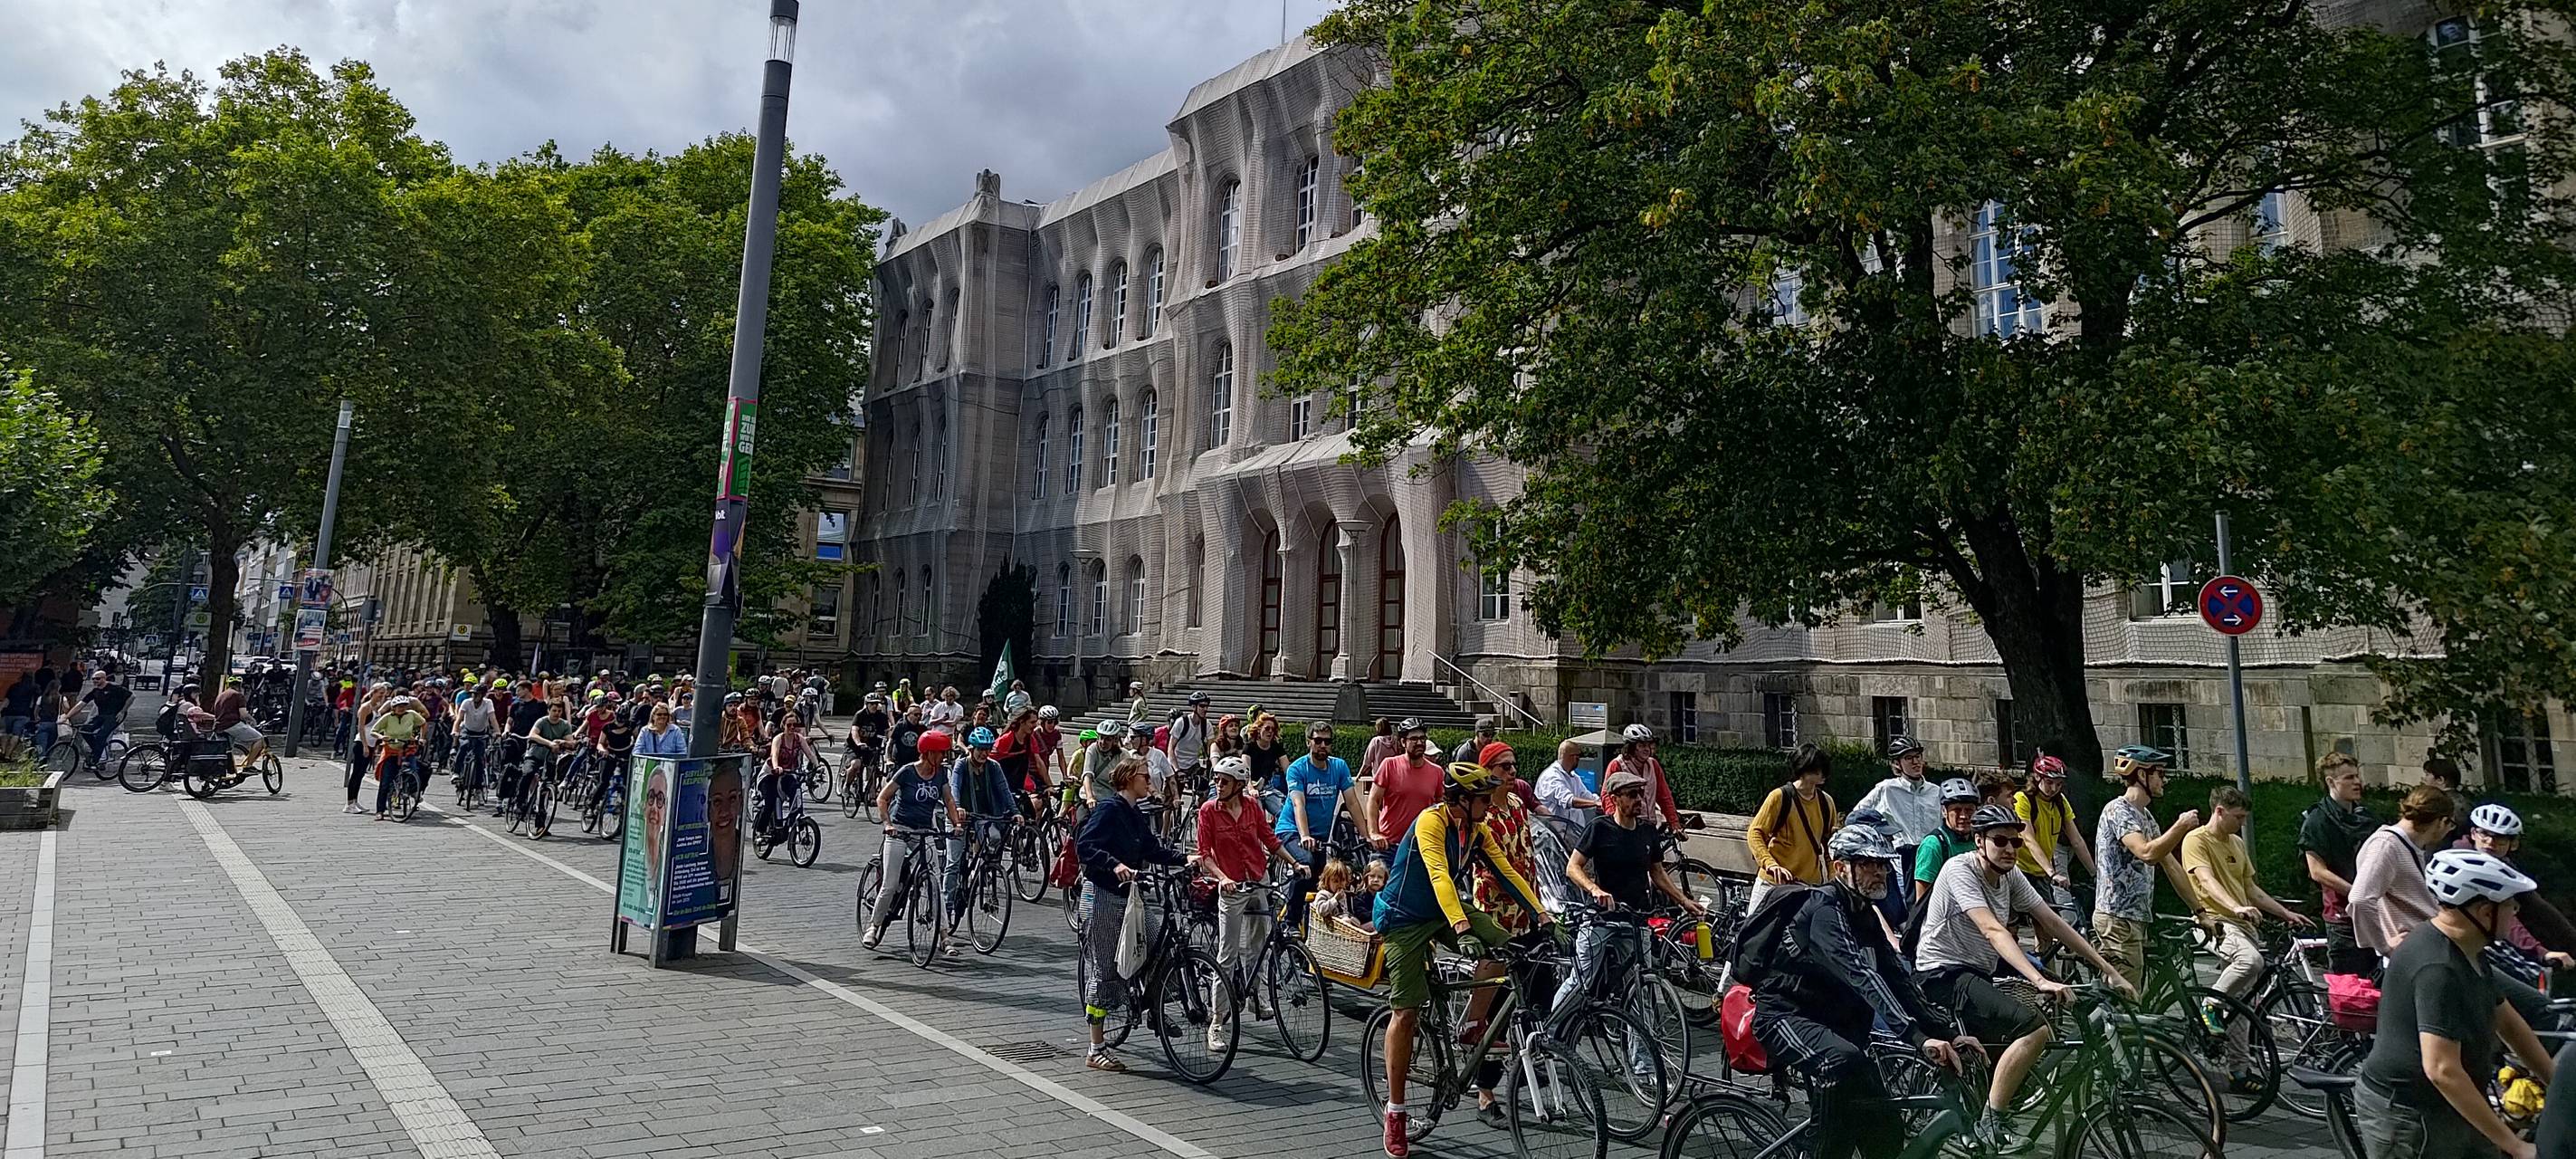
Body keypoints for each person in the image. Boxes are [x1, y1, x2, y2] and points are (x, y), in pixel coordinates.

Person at [1739, 824, 1980, 1159]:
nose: (1880, 872)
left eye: (1882, 865)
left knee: (1886, 1126)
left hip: (1835, 1025)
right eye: (1868, 864)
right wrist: (1916, 1037)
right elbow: (1861, 975)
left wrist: (1946, 1032)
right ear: (1841, 868)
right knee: (1840, 1070)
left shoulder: (1863, 911)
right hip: (1785, 1015)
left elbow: (1897, 977)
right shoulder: (1825, 910)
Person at [1916, 804, 2135, 1146]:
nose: (2009, 849)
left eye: (2016, 843)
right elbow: (1992, 930)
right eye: (2000, 841)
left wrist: (2107, 969)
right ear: (1979, 841)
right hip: (1943, 972)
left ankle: (1981, 1120)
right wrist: (2040, 980)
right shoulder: (1959, 870)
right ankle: (1991, 1120)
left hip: (1979, 969)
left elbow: (2052, 921)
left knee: (2001, 1046)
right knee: (2032, 1027)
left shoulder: (2011, 875)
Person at [1373, 762, 1553, 1154]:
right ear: (1461, 800)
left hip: (1445, 909)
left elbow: (1506, 872)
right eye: (1484, 799)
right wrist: (1460, 928)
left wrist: (1541, 914)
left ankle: (1472, 1024)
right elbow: (1438, 872)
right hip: (1404, 917)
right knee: (1406, 1011)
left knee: (1507, 944)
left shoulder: (1475, 829)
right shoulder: (1431, 822)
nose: (1490, 805)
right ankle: (1396, 1111)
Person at [2359, 849, 2555, 1159]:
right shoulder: (2438, 967)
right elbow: (2441, 1069)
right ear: (2482, 910)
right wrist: (2516, 1146)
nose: (2515, 912)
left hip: (2456, 1101)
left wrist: (2557, 1084)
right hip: (2411, 1115)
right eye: (2509, 905)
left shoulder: (2470, 948)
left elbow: (2508, 1021)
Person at [2180, 784, 2313, 1088]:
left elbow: (2252, 890)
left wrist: (2285, 913)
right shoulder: (2196, 840)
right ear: (2220, 811)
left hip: (2242, 925)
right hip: (2212, 922)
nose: (2242, 823)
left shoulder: (2237, 844)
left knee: (2244, 1004)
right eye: (2238, 817)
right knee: (2250, 961)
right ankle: (2209, 1006)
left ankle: (2239, 1072)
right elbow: (2206, 880)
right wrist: (2235, 907)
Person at [1075, 756, 1191, 1071]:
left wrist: (1186, 859)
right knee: (1105, 972)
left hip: (1131, 898)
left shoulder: (1134, 813)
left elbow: (1152, 849)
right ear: (1128, 779)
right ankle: (1095, 1048)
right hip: (1102, 896)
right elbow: (1084, 846)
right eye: (1144, 776)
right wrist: (1114, 864)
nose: (1149, 780)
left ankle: (1152, 1004)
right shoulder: (1109, 809)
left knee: (1160, 949)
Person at [1559, 770, 1709, 1011]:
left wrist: (1684, 901)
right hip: (1601, 918)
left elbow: (1657, 873)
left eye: (1641, 793)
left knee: (1641, 986)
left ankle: (1641, 1049)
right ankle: (1551, 1035)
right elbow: (1572, 867)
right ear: (1616, 798)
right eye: (1631, 795)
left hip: (1636, 918)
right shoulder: (1600, 828)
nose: (1639, 799)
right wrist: (1594, 889)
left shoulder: (1647, 831)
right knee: (1581, 981)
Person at [1197, 755, 1303, 1043]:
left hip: (1257, 879)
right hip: (1231, 887)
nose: (1218, 785)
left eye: (1224, 781)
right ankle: (1217, 1020)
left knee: (1259, 945)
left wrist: (1294, 863)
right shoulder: (1208, 811)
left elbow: (1269, 838)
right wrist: (1223, 878)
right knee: (1227, 954)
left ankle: (1255, 995)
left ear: (1240, 785)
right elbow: (1205, 854)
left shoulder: (1252, 807)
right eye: (1217, 779)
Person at [2091, 745, 2202, 991]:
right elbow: (2147, 853)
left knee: (2131, 996)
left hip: (2136, 920)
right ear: (2142, 775)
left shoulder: (2145, 817)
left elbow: (2170, 865)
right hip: (2117, 920)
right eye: (2160, 773)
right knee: (2126, 1001)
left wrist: (2200, 911)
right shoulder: (2118, 811)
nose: (2164, 780)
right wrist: (2181, 826)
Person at [863, 729, 964, 951]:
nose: (944, 757)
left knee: (935, 884)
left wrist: (956, 824)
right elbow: (883, 798)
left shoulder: (940, 774)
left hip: (924, 831)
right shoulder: (907, 772)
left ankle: (945, 937)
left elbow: (949, 801)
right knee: (889, 885)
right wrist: (888, 824)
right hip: (900, 830)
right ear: (928, 753)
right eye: (940, 753)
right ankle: (874, 926)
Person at [2302, 752, 2384, 975]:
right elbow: (2317, 871)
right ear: (2331, 782)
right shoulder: (2317, 820)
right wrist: (2357, 892)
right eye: (2349, 778)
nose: (2357, 782)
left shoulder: (2366, 817)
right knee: (2349, 993)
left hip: (2372, 914)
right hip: (2343, 919)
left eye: (2357, 776)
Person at [2352, 785, 2457, 958]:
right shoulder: (2387, 845)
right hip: (2411, 954)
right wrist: (2384, 947)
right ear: (2441, 821)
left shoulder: (2406, 845)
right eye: (2450, 825)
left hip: (2425, 949)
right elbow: (2360, 899)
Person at [1745, 743, 1841, 911]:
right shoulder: (1780, 797)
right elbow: (1755, 833)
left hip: (1808, 886)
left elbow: (1830, 844)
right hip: (1773, 883)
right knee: (1753, 932)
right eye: (1818, 769)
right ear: (1804, 770)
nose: (1823, 774)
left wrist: (1833, 874)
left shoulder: (1826, 802)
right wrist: (1770, 864)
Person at [1279, 722, 1356, 925]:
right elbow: (1298, 804)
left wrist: (1367, 833)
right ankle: (1290, 923)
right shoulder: (1297, 768)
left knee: (1325, 882)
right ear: (1308, 742)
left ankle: (1312, 931)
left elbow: (1352, 802)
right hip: (1292, 831)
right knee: (1306, 867)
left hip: (1320, 838)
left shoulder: (1339, 766)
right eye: (1318, 741)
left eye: (1327, 742)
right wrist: (1304, 835)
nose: (1323, 745)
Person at [945, 726, 1016, 946]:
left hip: (983, 816)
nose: (984, 754)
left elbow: (1004, 790)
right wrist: (957, 808)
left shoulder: (993, 767)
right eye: (980, 750)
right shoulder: (960, 765)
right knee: (954, 862)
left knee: (994, 838)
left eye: (987, 750)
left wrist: (1015, 812)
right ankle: (947, 908)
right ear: (971, 749)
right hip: (959, 816)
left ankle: (982, 870)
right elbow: (955, 788)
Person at [1854, 735, 1942, 902]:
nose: (1916, 762)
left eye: (1918, 757)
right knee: (1903, 910)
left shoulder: (1936, 792)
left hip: (1930, 860)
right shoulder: (1886, 789)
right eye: (1908, 758)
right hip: (1899, 861)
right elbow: (1857, 817)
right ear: (1897, 763)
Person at [1365, 718, 1444, 860]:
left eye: (1422, 738)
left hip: (1420, 847)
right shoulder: (1389, 765)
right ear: (1403, 742)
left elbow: (1441, 808)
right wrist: (1373, 833)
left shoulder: (1437, 772)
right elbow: (1374, 800)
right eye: (1413, 739)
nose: (1419, 743)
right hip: (1389, 845)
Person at [1914, 778, 1984, 906]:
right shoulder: (1933, 845)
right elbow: (1922, 899)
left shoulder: (1980, 841)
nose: (1963, 816)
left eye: (1969, 810)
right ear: (1944, 811)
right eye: (1957, 810)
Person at [1605, 723, 1684, 830]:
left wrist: (1674, 822)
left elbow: (1664, 796)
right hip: (1628, 826)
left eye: (1648, 745)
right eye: (1642, 746)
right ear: (1631, 747)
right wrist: (1615, 825)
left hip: (1650, 825)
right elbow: (1607, 796)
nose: (1647, 749)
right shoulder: (1617, 765)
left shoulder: (1653, 765)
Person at [366, 694, 429, 819]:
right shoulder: (387, 717)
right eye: (399, 706)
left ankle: (413, 792)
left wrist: (421, 738)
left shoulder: (411, 714)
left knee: (414, 770)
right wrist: (381, 737)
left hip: (407, 748)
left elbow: (423, 723)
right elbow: (374, 730)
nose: (402, 708)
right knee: (386, 781)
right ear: (393, 707)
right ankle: (380, 811)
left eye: (404, 706)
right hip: (391, 750)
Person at [1534, 737, 1601, 831]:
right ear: (1572, 757)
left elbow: (1586, 795)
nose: (1579, 759)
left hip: (1573, 833)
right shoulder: (1551, 777)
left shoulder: (1574, 777)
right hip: (1554, 835)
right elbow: (1568, 800)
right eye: (1578, 756)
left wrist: (1602, 803)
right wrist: (1595, 803)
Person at [453, 682, 500, 797]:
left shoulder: (488, 703)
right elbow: (459, 719)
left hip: (481, 733)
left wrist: (498, 732)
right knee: (463, 746)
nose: (474, 696)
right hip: (467, 730)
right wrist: (455, 731)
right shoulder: (466, 702)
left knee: (479, 759)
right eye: (473, 694)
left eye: (477, 694)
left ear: (483, 695)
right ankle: (456, 772)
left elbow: (492, 719)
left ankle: (478, 786)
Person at [1167, 691, 1213, 795]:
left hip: (1193, 765)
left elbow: (1211, 748)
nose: (1205, 709)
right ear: (1193, 707)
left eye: (1207, 706)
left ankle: (1196, 809)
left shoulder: (1207, 725)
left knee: (1206, 792)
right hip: (1177, 763)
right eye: (1202, 706)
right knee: (1171, 799)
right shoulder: (1181, 722)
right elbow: (1170, 749)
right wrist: (1177, 770)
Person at [2422, 756, 2474, 835]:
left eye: (2427, 774)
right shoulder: (2467, 801)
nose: (2424, 779)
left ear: (2440, 780)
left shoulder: (2438, 805)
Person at [1358, 717, 1398, 782]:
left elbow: (1367, 760)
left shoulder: (1376, 741)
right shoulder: (1395, 741)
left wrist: (1359, 774)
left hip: (1379, 776)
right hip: (1393, 775)